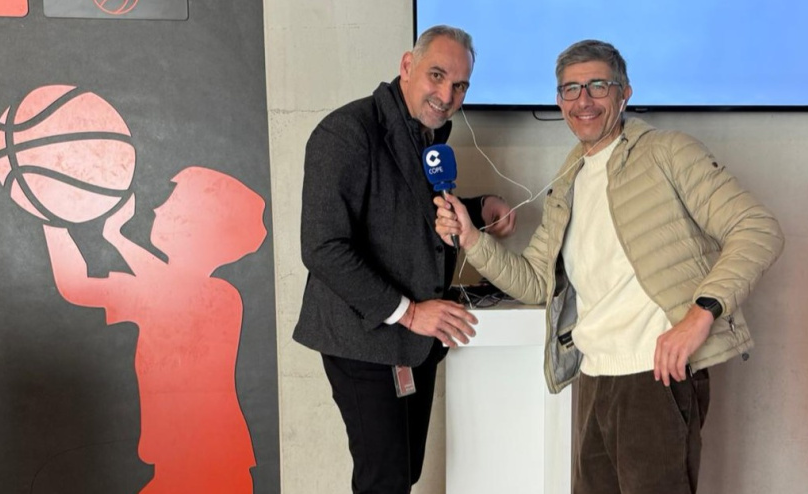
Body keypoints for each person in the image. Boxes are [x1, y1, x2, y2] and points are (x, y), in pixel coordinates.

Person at [434, 39, 784, 494]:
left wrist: (699, 317)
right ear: (559, 101)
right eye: (570, 89)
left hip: (655, 377)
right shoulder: (569, 177)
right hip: (594, 376)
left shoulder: (667, 151)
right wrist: (472, 237)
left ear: (625, 93)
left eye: (598, 86)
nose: (584, 100)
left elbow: (758, 229)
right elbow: (536, 283)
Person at [293, 25, 516, 493]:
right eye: (437, 75)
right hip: (366, 339)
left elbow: (407, 210)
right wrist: (411, 312)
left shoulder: (425, 135)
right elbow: (322, 247)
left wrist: (478, 209)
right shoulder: (346, 132)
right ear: (407, 66)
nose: (447, 94)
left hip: (415, 341)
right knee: (385, 481)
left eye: (459, 85)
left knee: (403, 473)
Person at [42, 167, 264, 493]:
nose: (158, 209)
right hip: (174, 463)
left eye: (171, 203)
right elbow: (75, 285)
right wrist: (52, 219)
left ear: (198, 228)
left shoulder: (220, 298)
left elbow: (173, 289)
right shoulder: (154, 292)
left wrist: (117, 237)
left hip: (213, 462)